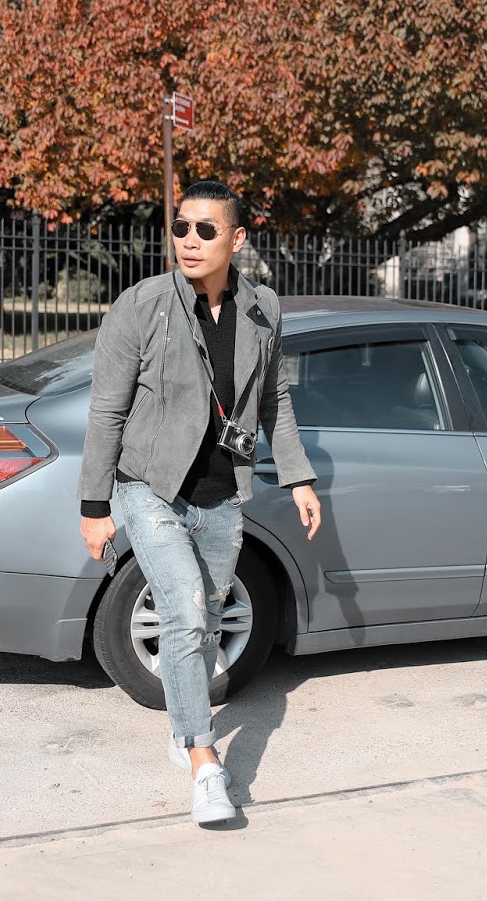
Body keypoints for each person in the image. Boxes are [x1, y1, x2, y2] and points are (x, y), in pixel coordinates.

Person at [77, 180, 321, 826]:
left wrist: (297, 478)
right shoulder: (142, 305)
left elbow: (274, 400)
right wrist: (95, 506)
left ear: (236, 239)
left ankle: (181, 725)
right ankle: (204, 763)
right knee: (185, 617)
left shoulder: (262, 307)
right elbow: (106, 411)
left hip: (221, 495)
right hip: (149, 488)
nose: (189, 240)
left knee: (207, 620)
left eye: (205, 230)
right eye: (181, 227)